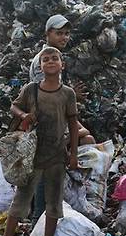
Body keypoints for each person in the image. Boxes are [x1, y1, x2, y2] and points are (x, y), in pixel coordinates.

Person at [3, 47, 79, 236]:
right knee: (22, 198)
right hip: (32, 155)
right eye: (46, 59)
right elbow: (14, 107)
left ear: (62, 64)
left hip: (56, 154)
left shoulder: (67, 94)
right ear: (40, 66)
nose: (51, 62)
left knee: (53, 201)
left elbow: (73, 124)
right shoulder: (31, 89)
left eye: (55, 58)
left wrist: (73, 154)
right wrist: (24, 114)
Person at [29, 14, 94, 223]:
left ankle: (63, 205)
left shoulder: (54, 57)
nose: (64, 37)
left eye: (66, 33)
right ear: (48, 34)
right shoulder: (44, 60)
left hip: (57, 121)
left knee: (87, 140)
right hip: (46, 124)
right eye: (59, 33)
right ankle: (38, 215)